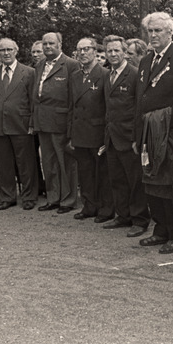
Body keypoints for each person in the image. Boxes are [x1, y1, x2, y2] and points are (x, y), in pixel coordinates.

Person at [133, 12, 173, 255]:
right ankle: (160, 230)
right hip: (147, 136)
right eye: (150, 31)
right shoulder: (146, 60)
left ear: (170, 32)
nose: (154, 35)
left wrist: (164, 118)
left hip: (169, 134)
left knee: (170, 185)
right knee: (151, 183)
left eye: (158, 30)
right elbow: (140, 100)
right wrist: (138, 136)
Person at [103, 37, 150, 236]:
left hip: (129, 138)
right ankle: (123, 216)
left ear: (124, 53)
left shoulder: (134, 74)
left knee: (135, 182)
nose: (113, 54)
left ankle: (140, 220)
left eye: (116, 51)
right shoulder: (108, 75)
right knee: (117, 180)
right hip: (112, 137)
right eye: (109, 51)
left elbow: (139, 108)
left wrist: (136, 139)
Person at [0, 38, 38, 210]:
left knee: (26, 163)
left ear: (16, 51)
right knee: (2, 163)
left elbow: (33, 100)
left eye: (9, 50)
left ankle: (29, 196)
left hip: (21, 124)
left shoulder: (29, 72)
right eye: (2, 50)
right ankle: (7, 196)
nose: (6, 53)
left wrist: (32, 122)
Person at [32, 31, 80, 214]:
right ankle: (53, 198)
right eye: (45, 44)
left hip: (61, 122)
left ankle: (68, 200)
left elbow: (73, 99)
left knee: (65, 163)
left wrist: (71, 127)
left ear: (60, 44)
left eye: (51, 43)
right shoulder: (40, 65)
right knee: (49, 163)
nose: (47, 47)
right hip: (42, 121)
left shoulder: (71, 65)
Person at [69, 37, 114, 223]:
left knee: (102, 174)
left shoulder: (105, 74)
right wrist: (69, 133)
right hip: (79, 131)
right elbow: (71, 106)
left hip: (97, 132)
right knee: (85, 173)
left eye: (87, 49)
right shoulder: (74, 76)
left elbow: (109, 107)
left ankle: (106, 208)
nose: (83, 53)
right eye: (80, 49)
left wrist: (106, 136)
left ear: (95, 51)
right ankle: (89, 206)